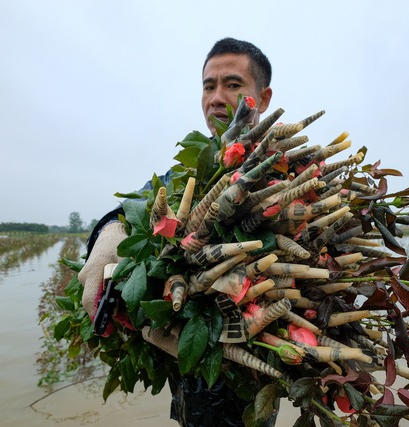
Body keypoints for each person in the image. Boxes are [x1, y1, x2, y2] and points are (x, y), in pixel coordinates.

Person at [79, 37, 275, 427]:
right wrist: (110, 233)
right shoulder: (186, 173)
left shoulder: (283, 169)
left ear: (263, 98)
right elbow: (133, 207)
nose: (216, 97)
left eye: (232, 85)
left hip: (248, 390)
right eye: (208, 86)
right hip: (188, 386)